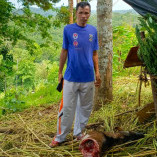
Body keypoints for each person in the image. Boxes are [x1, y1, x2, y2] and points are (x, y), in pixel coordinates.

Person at [49, 1, 101, 147]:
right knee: (67, 108)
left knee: (85, 108)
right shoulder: (68, 30)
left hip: (88, 78)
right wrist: (60, 72)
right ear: (76, 13)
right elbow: (64, 51)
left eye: (87, 13)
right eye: (81, 13)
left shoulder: (93, 31)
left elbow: (95, 53)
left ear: (89, 14)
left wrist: (97, 72)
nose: (84, 16)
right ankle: (60, 137)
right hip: (71, 77)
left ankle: (79, 133)